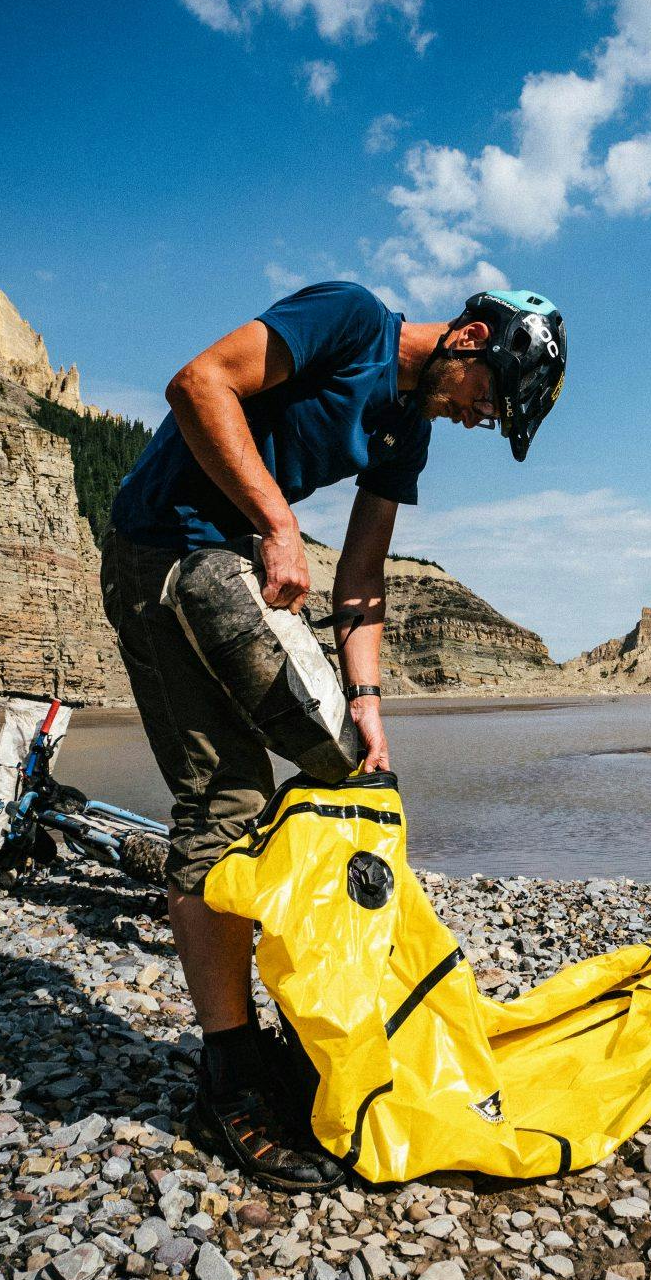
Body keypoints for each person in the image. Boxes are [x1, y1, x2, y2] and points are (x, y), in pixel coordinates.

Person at [101, 280, 566, 1190]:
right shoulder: (349, 320)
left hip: (228, 568)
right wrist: (278, 522)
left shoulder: (408, 430)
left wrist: (367, 699)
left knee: (351, 777)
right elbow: (198, 384)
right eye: (489, 399)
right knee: (222, 801)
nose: (480, 420)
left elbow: (359, 577)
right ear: (469, 338)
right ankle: (228, 1073)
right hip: (160, 554)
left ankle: (315, 1013)